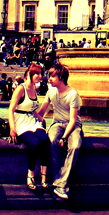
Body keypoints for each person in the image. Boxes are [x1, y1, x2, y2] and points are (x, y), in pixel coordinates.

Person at [37, 64, 82, 200]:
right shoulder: (51, 91)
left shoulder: (73, 94)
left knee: (75, 146)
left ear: (61, 77)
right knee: (51, 141)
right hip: (57, 124)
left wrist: (64, 137)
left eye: (52, 76)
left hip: (72, 126)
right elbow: (42, 112)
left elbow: (73, 120)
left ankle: (59, 183)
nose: (49, 78)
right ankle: (60, 185)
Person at [8, 63, 50, 191]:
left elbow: (31, 108)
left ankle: (43, 174)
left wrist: (40, 117)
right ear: (30, 75)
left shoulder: (35, 89)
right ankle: (30, 174)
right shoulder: (21, 89)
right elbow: (11, 109)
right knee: (35, 144)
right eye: (37, 74)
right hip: (21, 121)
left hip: (32, 120)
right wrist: (12, 128)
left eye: (41, 74)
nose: (40, 76)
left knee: (45, 141)